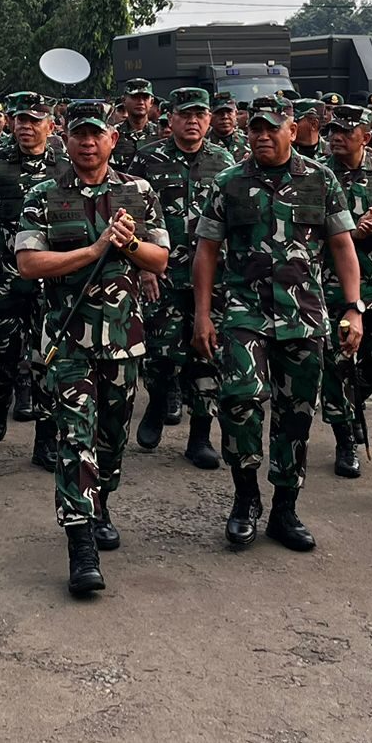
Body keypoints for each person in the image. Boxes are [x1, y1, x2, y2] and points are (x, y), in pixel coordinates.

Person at [192, 94, 363, 553]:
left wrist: (353, 307)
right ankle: (245, 498)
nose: (263, 136)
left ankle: (285, 509)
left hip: (304, 316)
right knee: (240, 400)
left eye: (272, 128)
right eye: (255, 129)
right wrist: (203, 314)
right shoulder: (229, 183)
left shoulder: (321, 180)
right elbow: (206, 252)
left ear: (292, 130)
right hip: (244, 313)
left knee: (297, 414)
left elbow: (343, 246)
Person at [15, 100, 167, 594]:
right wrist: (94, 250)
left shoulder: (138, 192)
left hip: (123, 338)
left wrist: (126, 247)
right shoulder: (44, 194)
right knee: (74, 439)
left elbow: (160, 258)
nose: (87, 142)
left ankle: (101, 504)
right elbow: (30, 264)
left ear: (111, 139)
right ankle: (80, 545)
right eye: (78, 133)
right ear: (65, 138)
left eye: (96, 134)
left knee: (110, 438)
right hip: (68, 337)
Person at [125, 87, 233, 467]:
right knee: (160, 352)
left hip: (213, 278)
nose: (193, 121)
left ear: (208, 119)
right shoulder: (146, 160)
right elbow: (132, 219)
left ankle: (200, 436)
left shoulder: (225, 162)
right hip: (164, 273)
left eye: (200, 114)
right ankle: (156, 401)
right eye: (185, 114)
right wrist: (143, 268)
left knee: (208, 353)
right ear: (169, 119)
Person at [0, 92, 63, 463]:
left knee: (49, 357)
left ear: (49, 126)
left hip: (52, 277)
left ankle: (45, 438)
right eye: (20, 119)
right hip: (6, 275)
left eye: (34, 121)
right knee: (4, 350)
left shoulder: (65, 165)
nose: (25, 126)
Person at [319, 104, 372, 478]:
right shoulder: (318, 175)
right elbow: (309, 233)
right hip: (333, 285)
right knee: (337, 365)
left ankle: (353, 403)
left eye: (346, 132)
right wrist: (353, 233)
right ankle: (345, 440)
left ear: (365, 137)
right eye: (333, 131)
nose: (337, 138)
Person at [110, 79, 161, 169]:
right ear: (124, 100)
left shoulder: (160, 133)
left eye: (145, 98)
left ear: (151, 102)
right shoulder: (112, 134)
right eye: (135, 97)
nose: (140, 102)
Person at [208, 97, 249, 161]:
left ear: (236, 114)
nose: (225, 117)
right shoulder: (201, 145)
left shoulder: (248, 142)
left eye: (229, 112)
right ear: (210, 116)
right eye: (219, 113)